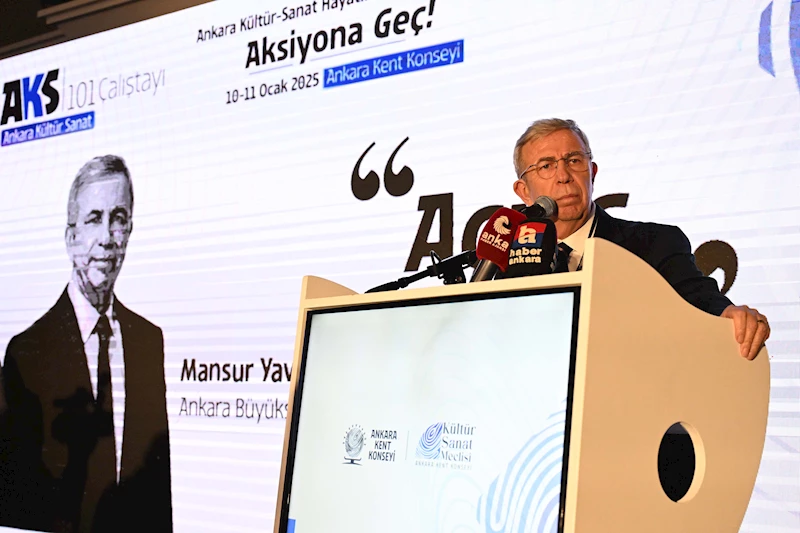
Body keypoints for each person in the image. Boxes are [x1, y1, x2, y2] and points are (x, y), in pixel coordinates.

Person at [1, 155, 172, 532]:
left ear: (129, 232)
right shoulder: (26, 354)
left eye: (118, 218)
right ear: (70, 237)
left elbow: (157, 496)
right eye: (94, 218)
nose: (107, 238)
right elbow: (13, 508)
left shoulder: (148, 341)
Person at [511, 118, 770, 360]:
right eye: (546, 166)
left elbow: (698, 297)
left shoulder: (654, 243)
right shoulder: (505, 262)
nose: (564, 176)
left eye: (574, 160)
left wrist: (727, 314)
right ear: (524, 191)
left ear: (592, 172)